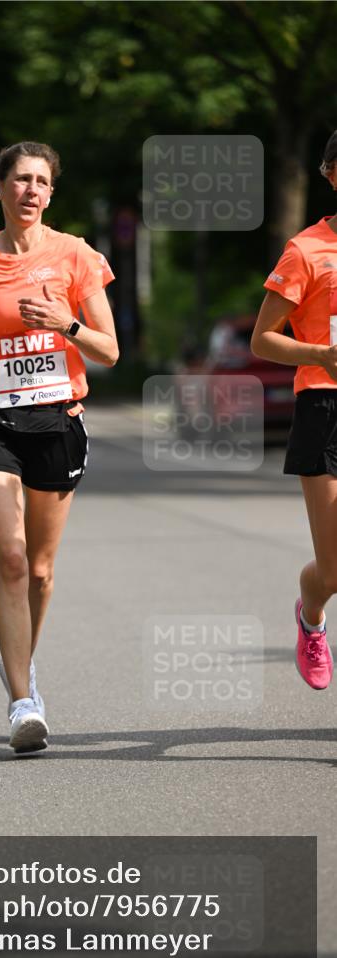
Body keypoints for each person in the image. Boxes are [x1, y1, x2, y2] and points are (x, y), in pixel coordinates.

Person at [0, 141, 118, 752]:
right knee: (10, 557)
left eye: (41, 181)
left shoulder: (76, 256)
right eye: (20, 180)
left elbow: (109, 350)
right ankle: (22, 702)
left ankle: (20, 663)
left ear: (50, 193)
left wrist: (65, 324)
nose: (31, 190)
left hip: (57, 421)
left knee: (39, 570)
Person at [251, 130, 337, 691]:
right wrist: (322, 355)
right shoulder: (306, 251)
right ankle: (311, 613)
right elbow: (263, 339)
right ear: (331, 173)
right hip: (325, 406)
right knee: (334, 568)